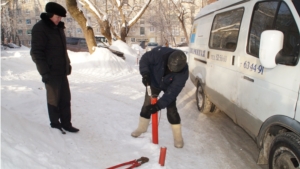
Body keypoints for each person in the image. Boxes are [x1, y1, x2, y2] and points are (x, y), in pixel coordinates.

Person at [30, 2, 79, 133]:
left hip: (61, 71)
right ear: (50, 15)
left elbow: (63, 51)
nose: (59, 20)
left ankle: (66, 124)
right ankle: (55, 124)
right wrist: (44, 72)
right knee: (54, 100)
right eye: (57, 17)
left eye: (61, 17)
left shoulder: (58, 29)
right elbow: (36, 53)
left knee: (65, 99)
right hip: (50, 72)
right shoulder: (40, 28)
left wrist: (67, 64)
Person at [131, 47, 189, 148]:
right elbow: (145, 59)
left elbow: (172, 93)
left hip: (169, 87)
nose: (170, 70)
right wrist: (145, 74)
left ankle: (178, 138)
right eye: (170, 68)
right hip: (153, 81)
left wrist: (158, 106)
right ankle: (142, 128)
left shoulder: (183, 74)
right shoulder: (159, 54)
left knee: (171, 109)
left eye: (173, 71)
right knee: (147, 104)